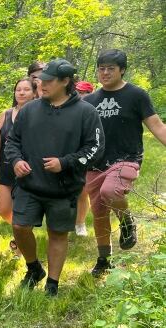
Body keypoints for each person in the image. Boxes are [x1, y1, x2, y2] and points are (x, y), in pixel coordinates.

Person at [4, 59, 104, 296]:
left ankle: (52, 283)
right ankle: (33, 267)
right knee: (19, 226)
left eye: (48, 81)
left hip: (64, 188)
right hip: (29, 185)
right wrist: (17, 161)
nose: (41, 84)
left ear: (65, 82)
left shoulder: (85, 112)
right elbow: (12, 141)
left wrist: (66, 163)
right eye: (40, 80)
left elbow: (95, 149)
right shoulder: (30, 109)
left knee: (58, 233)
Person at [83, 49, 166, 276]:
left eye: (111, 68)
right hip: (95, 164)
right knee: (99, 213)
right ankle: (103, 260)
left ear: (122, 70)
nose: (105, 72)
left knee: (112, 192)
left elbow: (157, 126)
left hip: (126, 159)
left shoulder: (136, 95)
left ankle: (126, 221)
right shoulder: (90, 100)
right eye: (101, 68)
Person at [0, 78, 38, 253]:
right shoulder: (5, 114)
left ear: (34, 93)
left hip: (28, 170)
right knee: (4, 210)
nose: (21, 93)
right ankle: (21, 233)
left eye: (26, 90)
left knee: (24, 211)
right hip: (6, 168)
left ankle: (20, 240)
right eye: (18, 90)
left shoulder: (38, 114)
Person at [74, 80, 96, 236]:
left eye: (84, 93)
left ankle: (80, 224)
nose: (81, 96)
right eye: (78, 92)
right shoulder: (68, 107)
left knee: (83, 191)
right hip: (69, 154)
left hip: (88, 155)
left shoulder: (95, 109)